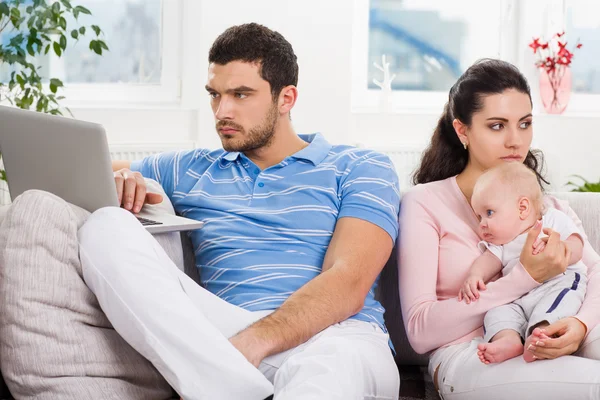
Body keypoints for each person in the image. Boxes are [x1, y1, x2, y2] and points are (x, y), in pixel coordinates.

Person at [79, 23, 401, 400]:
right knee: (105, 226)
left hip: (336, 336)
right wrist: (126, 179)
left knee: (331, 365)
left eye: (241, 94)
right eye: (215, 95)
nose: (222, 111)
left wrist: (251, 344)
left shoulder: (360, 166)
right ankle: (223, 383)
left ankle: (214, 385)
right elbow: (90, 168)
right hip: (226, 338)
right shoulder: (190, 168)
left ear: (286, 98)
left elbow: (348, 284)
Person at [399, 59, 600, 400]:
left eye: (524, 124)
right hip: (474, 352)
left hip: (557, 325)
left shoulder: (548, 208)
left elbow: (595, 274)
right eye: (497, 126)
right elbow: (419, 331)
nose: (515, 141)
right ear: (462, 131)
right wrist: (525, 277)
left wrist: (580, 325)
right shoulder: (425, 203)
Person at [457, 162, 587, 365]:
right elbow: (486, 261)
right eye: (479, 216)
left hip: (558, 282)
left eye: (489, 213)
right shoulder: (500, 243)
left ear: (523, 208)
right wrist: (474, 277)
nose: (482, 223)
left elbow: (577, 245)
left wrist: (561, 250)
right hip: (519, 298)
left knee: (556, 304)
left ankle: (542, 336)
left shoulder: (552, 220)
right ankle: (508, 340)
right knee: (496, 312)